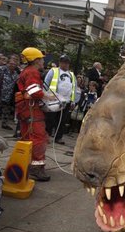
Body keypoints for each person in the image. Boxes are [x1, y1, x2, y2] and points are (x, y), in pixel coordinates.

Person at [15, 47, 52, 180]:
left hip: (25, 109)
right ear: (36, 60)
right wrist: (48, 96)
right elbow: (34, 92)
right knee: (38, 138)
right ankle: (36, 168)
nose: (43, 61)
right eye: (41, 59)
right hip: (32, 110)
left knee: (27, 137)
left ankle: (25, 163)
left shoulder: (27, 71)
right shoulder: (32, 72)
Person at [44, 54, 78, 142]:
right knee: (50, 119)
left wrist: (73, 101)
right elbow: (46, 83)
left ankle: (58, 137)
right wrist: (45, 96)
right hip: (54, 100)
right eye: (64, 62)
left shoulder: (71, 75)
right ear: (60, 62)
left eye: (67, 63)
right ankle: (46, 136)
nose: (65, 65)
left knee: (62, 121)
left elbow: (74, 88)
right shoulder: (53, 71)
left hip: (66, 101)